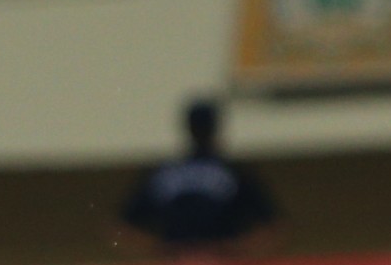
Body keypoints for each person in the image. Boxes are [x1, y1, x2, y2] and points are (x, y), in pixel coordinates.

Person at [119, 99, 280, 255]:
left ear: (189, 128)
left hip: (186, 263)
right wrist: (235, 250)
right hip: (215, 263)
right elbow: (274, 226)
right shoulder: (233, 172)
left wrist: (161, 250)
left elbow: (124, 228)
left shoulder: (164, 173)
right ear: (215, 128)